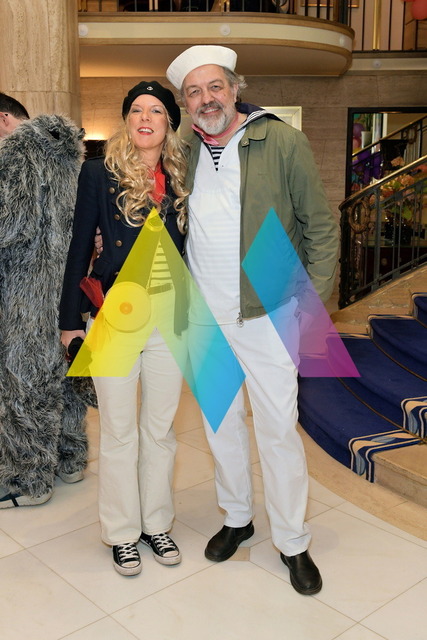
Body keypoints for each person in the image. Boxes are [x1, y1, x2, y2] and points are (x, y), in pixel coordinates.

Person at [166, 45, 339, 595]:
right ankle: (238, 517)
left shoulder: (281, 140)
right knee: (220, 426)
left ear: (235, 88)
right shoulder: (180, 151)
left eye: (215, 86)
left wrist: (311, 305)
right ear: (185, 103)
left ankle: (292, 540)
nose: (206, 99)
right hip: (203, 314)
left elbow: (319, 225)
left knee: (277, 429)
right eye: (194, 91)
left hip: (270, 307)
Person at [59, 81, 189, 576]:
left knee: (160, 430)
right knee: (118, 431)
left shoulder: (184, 175)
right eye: (136, 110)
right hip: (115, 313)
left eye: (156, 110)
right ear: (126, 119)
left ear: (169, 123)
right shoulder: (98, 172)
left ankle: (156, 524)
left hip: (171, 314)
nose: (145, 117)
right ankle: (121, 533)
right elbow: (78, 246)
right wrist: (69, 323)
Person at [0, 112, 88, 508]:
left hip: (28, 287)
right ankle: (70, 459)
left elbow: (11, 225)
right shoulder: (71, 152)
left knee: (25, 380)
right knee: (67, 373)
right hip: (69, 289)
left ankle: (28, 480)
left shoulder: (20, 149)